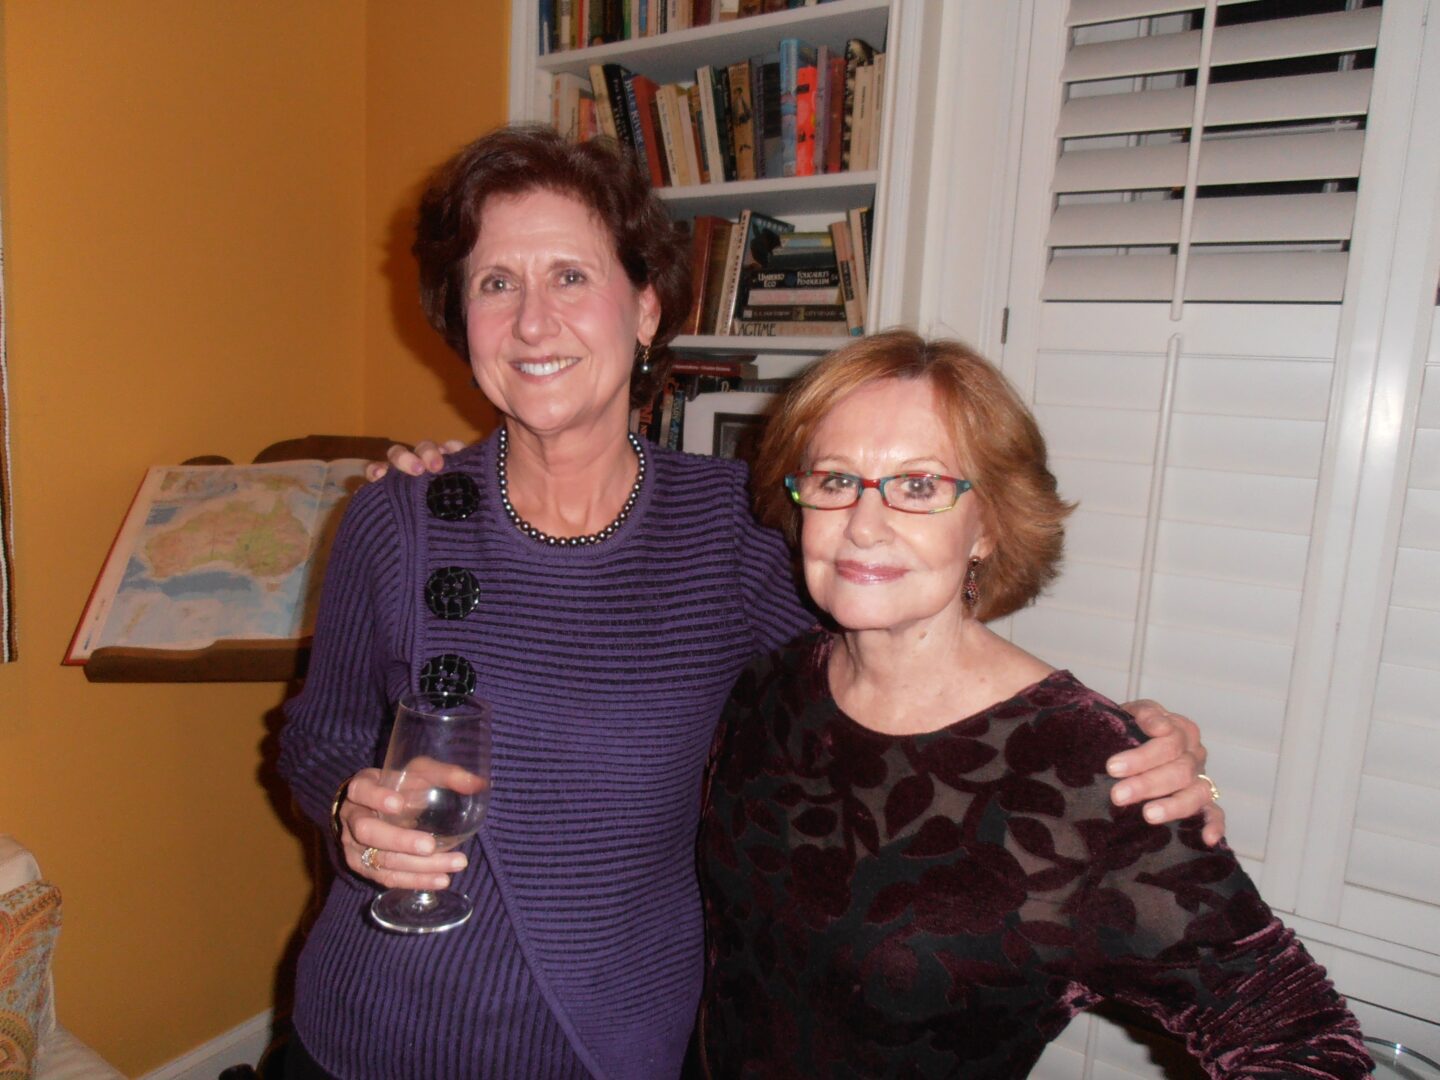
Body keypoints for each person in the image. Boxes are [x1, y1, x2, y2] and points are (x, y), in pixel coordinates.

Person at [278, 125, 1220, 1080]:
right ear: (462, 319)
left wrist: (1102, 745)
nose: (532, 322)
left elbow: (913, 678)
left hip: (606, 1040)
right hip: (368, 1028)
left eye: (570, 276)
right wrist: (350, 809)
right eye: (495, 283)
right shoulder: (395, 518)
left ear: (646, 308)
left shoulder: (742, 526)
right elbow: (319, 734)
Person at [697, 331, 1369, 1078]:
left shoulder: (1087, 770)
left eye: (918, 486)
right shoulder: (769, 688)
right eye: (835, 480)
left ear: (987, 527)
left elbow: (1308, 1042)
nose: (863, 522)